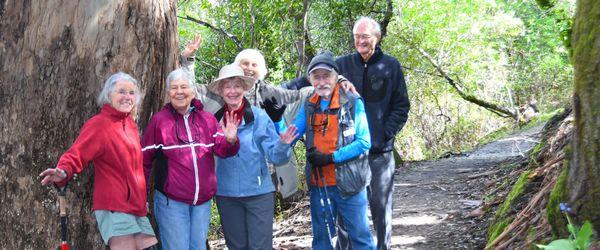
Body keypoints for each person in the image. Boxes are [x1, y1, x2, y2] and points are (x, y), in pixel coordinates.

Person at [281, 17, 410, 250]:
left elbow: (402, 106)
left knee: (380, 209)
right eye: (357, 37)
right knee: (345, 216)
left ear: (377, 38)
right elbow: (310, 79)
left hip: (378, 153)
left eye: (365, 36)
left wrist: (384, 135)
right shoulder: (343, 65)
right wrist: (278, 90)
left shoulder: (390, 65)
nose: (360, 41)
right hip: (344, 158)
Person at [39, 72, 158, 249]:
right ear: (109, 95)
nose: (127, 97)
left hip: (137, 208)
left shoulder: (131, 125)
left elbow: (134, 168)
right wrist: (63, 171)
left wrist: (141, 198)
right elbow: (77, 153)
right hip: (114, 206)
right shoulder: (100, 124)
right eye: (121, 92)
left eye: (131, 93)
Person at [278, 51, 374, 249]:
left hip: (350, 183)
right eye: (316, 77)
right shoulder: (309, 105)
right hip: (319, 184)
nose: (322, 81)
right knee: (322, 241)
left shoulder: (352, 101)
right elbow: (290, 135)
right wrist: (277, 118)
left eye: (326, 75)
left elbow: (364, 142)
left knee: (360, 238)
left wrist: (331, 157)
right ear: (310, 79)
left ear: (336, 77)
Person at [141, 68, 240, 250]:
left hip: (202, 203)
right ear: (168, 93)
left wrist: (231, 140)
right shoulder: (159, 121)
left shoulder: (207, 120)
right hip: (172, 202)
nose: (179, 91)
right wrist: (141, 196)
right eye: (174, 88)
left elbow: (223, 151)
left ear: (193, 91)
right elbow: (143, 161)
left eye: (184, 86)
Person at [206, 63, 298, 249]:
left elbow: (276, 157)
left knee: (260, 247)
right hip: (226, 194)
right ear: (221, 91)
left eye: (237, 86)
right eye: (227, 86)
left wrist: (283, 145)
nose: (233, 91)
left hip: (258, 193)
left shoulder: (259, 117)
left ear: (244, 89)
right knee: (237, 246)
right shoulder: (212, 120)